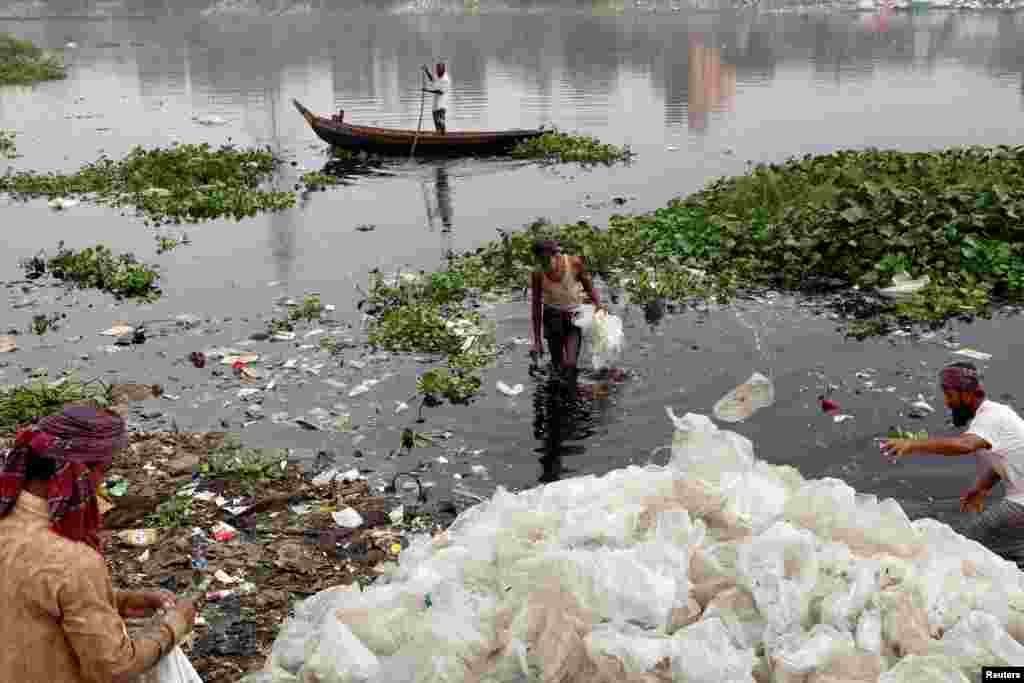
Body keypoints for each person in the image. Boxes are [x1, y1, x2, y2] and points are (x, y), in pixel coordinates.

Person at [0, 405, 196, 683]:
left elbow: (28, 594)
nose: (100, 485)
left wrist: (120, 601)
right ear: (80, 473)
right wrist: (173, 627)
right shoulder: (73, 562)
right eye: (103, 471)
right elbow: (112, 668)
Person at [881, 362, 1024, 567]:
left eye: (950, 396)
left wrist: (912, 444)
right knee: (1009, 552)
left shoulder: (991, 417)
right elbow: (1005, 458)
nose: (947, 403)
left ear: (966, 394)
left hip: (1020, 504)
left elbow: (965, 445)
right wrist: (982, 488)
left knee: (962, 547)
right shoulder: (996, 415)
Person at [530, 239, 605, 379]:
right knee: (558, 365)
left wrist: (599, 305)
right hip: (552, 319)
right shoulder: (537, 273)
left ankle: (570, 392)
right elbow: (535, 306)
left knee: (570, 365)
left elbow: (589, 286)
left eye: (546, 260)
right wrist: (537, 341)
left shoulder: (573, 263)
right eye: (540, 261)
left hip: (573, 318)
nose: (544, 265)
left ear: (555, 255)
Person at [422, 62, 450, 134]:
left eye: (439, 69)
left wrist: (427, 90)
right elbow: (432, 79)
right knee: (436, 122)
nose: (437, 71)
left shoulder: (446, 79)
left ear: (443, 70)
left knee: (440, 120)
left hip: (442, 104)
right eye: (437, 69)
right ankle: (439, 134)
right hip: (435, 103)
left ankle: (443, 135)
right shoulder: (437, 75)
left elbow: (440, 92)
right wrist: (426, 71)